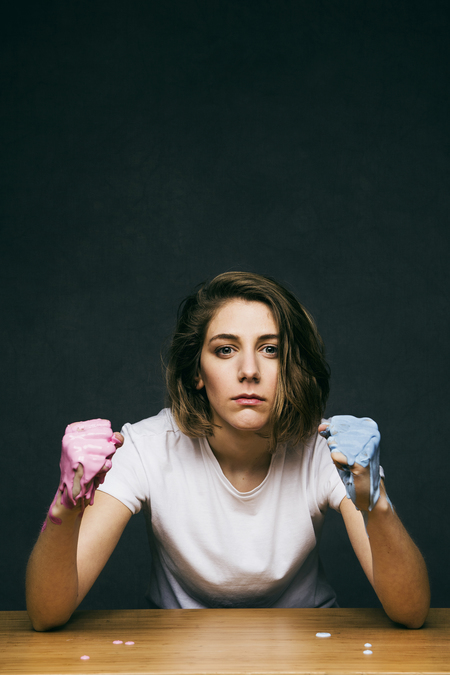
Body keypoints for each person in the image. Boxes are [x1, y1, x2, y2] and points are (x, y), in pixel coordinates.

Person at [26, 272, 430, 631]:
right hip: (174, 653)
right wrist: (65, 504)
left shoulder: (327, 449)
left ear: (291, 367)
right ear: (197, 373)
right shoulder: (146, 448)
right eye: (225, 350)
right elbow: (47, 614)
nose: (249, 370)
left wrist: (375, 500)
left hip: (311, 648)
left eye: (270, 349)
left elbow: (411, 612)